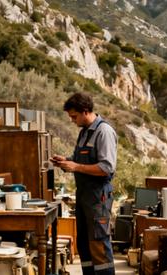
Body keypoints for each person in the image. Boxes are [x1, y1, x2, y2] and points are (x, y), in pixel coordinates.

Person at [52, 93, 117, 275]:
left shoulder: (104, 132)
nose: (72, 120)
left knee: (99, 244)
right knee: (84, 244)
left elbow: (106, 168)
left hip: (98, 197)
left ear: (86, 111)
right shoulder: (84, 133)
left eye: (74, 116)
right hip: (84, 196)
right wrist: (65, 161)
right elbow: (81, 161)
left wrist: (75, 166)